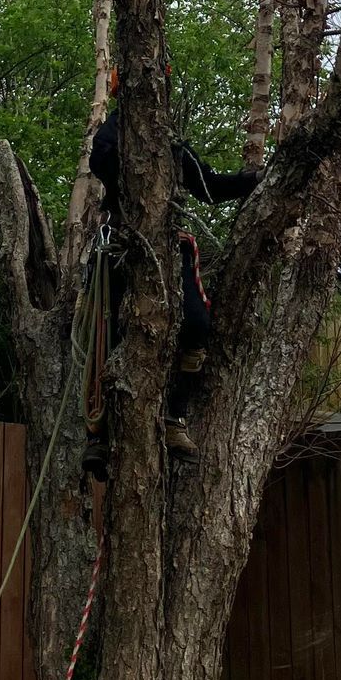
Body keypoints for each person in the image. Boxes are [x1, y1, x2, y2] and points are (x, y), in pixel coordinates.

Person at [81, 71, 259, 466]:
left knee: (197, 325)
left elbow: (210, 187)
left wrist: (255, 181)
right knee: (107, 335)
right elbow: (100, 160)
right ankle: (99, 432)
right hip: (119, 247)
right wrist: (129, 131)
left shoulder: (173, 146)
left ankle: (173, 417)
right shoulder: (112, 135)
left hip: (166, 247)